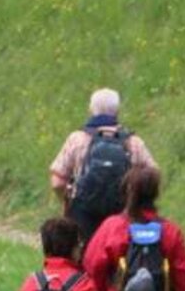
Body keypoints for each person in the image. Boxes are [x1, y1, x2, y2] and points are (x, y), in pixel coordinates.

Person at [50, 87, 159, 241]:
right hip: (123, 217)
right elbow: (152, 177)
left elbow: (57, 182)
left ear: (91, 109)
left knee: (83, 258)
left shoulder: (77, 139)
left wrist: (68, 202)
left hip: (82, 217)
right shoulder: (133, 143)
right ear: (117, 111)